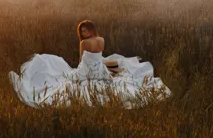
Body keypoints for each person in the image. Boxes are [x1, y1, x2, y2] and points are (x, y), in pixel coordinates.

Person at [9, 20, 171, 108]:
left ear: (90, 30)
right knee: (108, 77)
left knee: (64, 81)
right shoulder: (101, 40)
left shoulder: (84, 44)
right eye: (81, 32)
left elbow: (82, 61)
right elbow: (99, 56)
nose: (82, 34)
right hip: (98, 67)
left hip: (88, 68)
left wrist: (80, 71)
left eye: (84, 31)